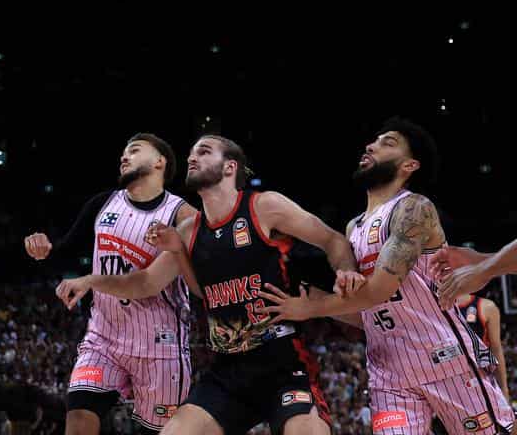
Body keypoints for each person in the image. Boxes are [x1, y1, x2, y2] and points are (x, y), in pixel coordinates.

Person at [59, 136, 362, 435]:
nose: (192, 158)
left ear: (230, 167)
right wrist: (90, 280)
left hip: (284, 367)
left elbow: (332, 239)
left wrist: (346, 271)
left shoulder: (264, 206)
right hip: (228, 371)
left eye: (203, 152)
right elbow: (146, 283)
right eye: (191, 153)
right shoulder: (188, 232)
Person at [262, 119, 513, 435]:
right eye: (373, 140)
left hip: (447, 362)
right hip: (388, 373)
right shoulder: (353, 229)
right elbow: (366, 312)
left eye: (387, 142)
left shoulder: (414, 209)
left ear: (409, 165)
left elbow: (380, 290)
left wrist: (314, 307)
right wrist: (309, 297)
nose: (371, 145)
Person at [24, 134, 196, 434]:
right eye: (123, 153)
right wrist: (42, 249)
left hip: (160, 345)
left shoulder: (183, 215)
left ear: (160, 161)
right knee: (78, 419)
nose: (124, 157)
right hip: (103, 338)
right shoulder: (103, 204)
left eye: (134, 150)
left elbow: (146, 283)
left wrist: (90, 280)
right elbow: (63, 252)